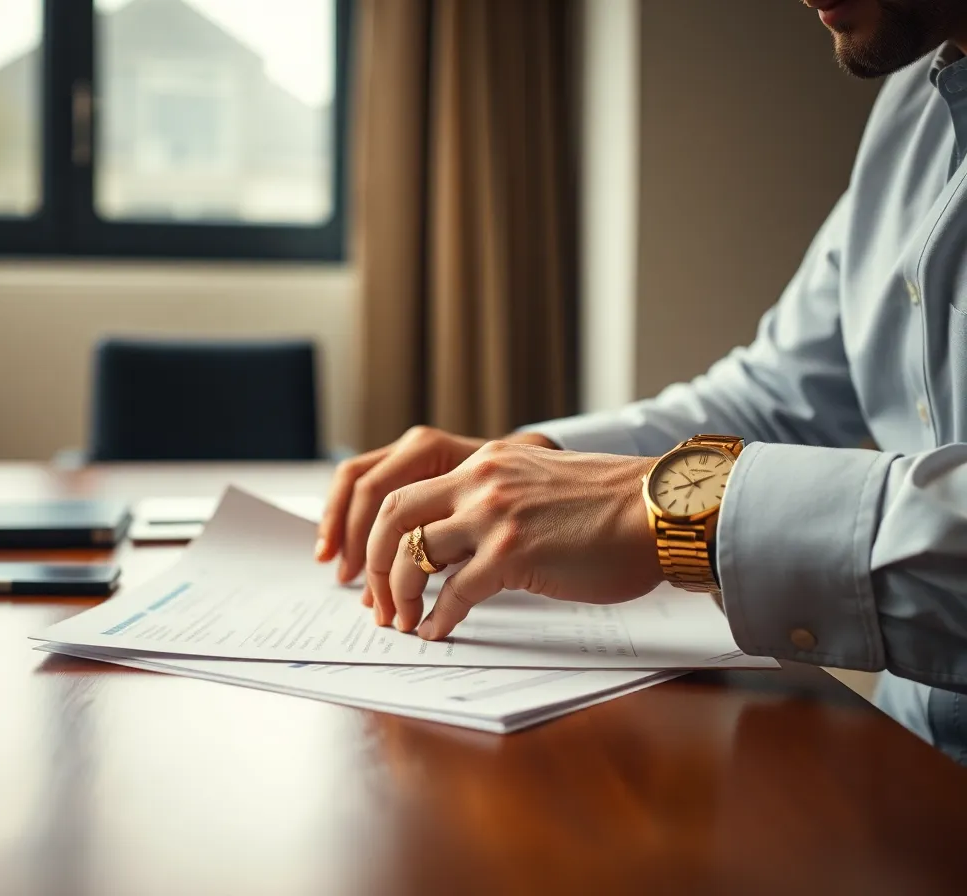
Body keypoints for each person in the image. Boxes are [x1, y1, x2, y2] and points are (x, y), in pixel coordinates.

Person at [316, 0, 967, 762]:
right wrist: (533, 460)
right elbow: (777, 394)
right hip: (901, 767)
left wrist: (684, 512)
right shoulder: (912, 111)